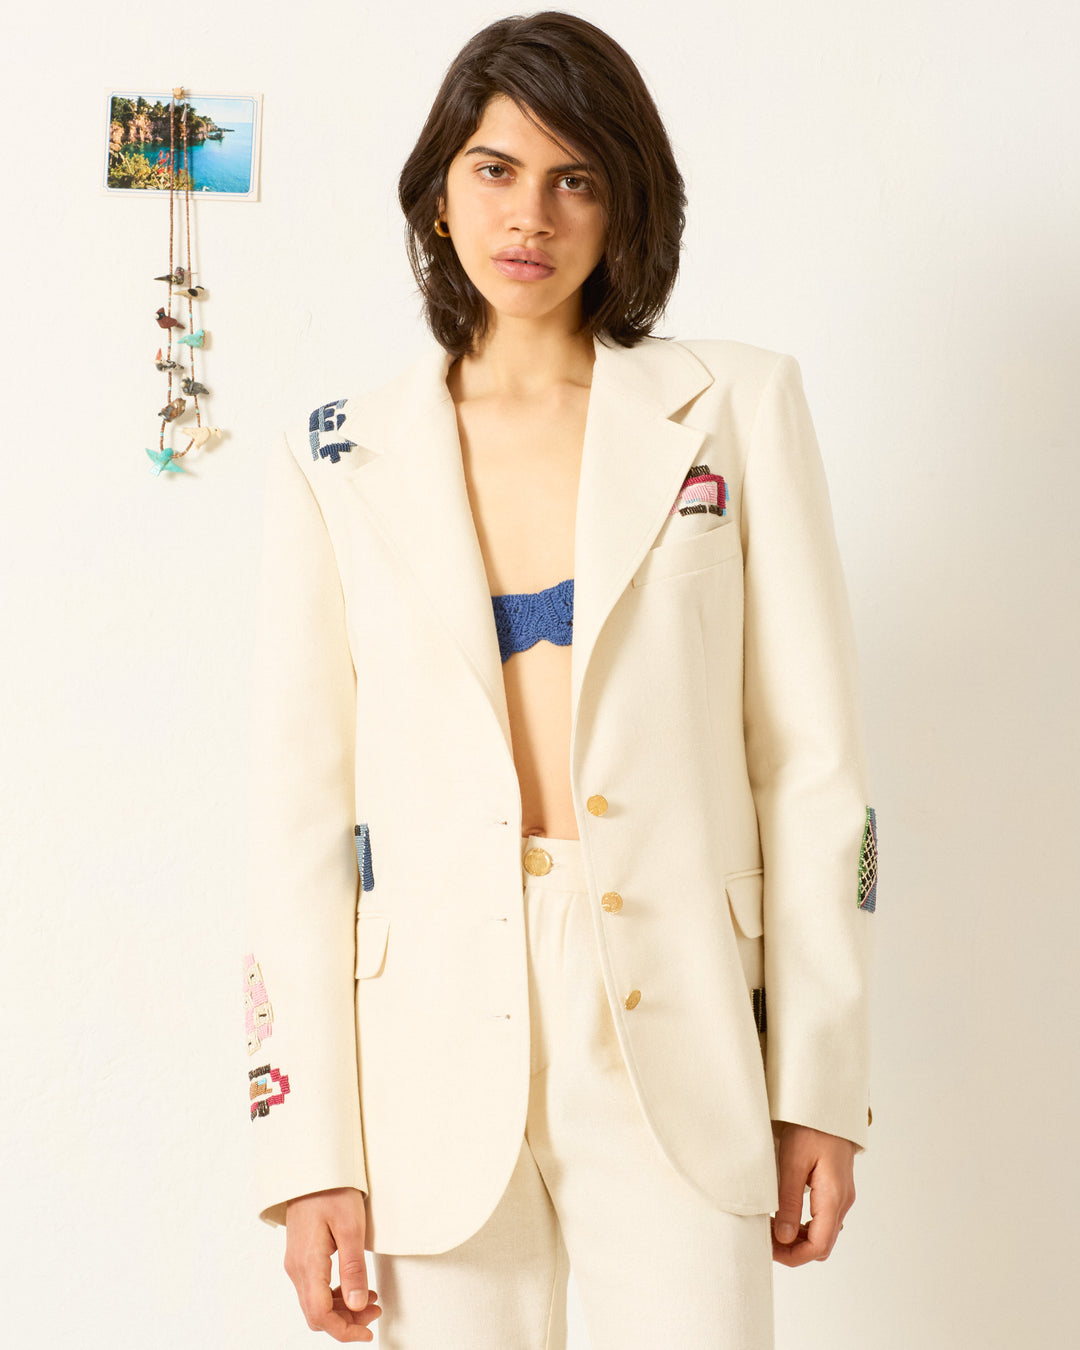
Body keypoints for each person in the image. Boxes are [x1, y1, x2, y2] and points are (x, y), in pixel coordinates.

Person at [241, 11, 877, 1348]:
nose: (530, 213)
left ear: (624, 203)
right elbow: (295, 819)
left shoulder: (736, 409)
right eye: (494, 168)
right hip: (427, 1039)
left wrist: (821, 1076)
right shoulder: (337, 458)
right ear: (437, 194)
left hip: (681, 1017)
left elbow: (811, 765)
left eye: (575, 177)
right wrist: (307, 1147)